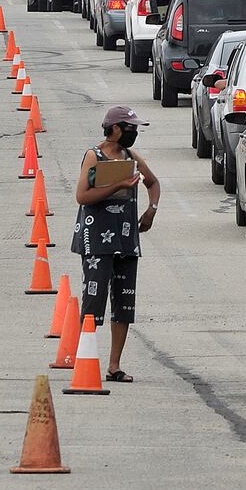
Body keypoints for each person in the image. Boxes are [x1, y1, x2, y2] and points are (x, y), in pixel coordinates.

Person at [72, 106, 161, 383]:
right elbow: (82, 196)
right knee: (93, 300)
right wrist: (117, 184)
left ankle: (114, 365)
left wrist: (151, 210)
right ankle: (83, 357)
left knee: (124, 303)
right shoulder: (93, 156)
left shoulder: (132, 157)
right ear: (114, 129)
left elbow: (153, 182)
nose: (133, 133)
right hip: (96, 240)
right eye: (129, 128)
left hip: (126, 239)